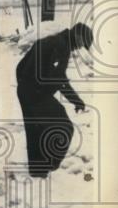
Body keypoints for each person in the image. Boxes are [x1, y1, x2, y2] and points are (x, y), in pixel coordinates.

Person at [15, 23, 92, 178]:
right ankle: (49, 164)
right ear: (77, 36)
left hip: (26, 90)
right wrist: (76, 100)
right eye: (82, 44)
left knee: (35, 130)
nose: (79, 48)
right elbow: (58, 78)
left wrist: (25, 87)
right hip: (35, 94)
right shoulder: (61, 46)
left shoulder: (54, 41)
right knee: (65, 127)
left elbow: (20, 67)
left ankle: (38, 172)